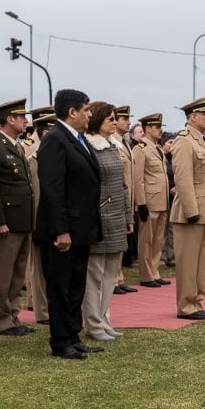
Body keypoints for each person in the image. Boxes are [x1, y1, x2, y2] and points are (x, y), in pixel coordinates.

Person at [34, 89, 103, 359]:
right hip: (62, 230)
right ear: (71, 112)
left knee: (75, 286)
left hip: (81, 228)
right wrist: (61, 230)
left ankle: (73, 335)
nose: (89, 113)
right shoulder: (55, 140)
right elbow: (52, 188)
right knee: (60, 287)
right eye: (85, 109)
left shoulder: (78, 139)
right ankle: (61, 341)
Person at [0, 99, 35, 337]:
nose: (26, 120)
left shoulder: (16, 146)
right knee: (2, 275)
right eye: (21, 116)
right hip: (7, 223)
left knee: (16, 274)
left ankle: (13, 316)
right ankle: (1, 320)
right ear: (9, 119)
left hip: (22, 221)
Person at [82, 102, 133, 341]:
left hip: (116, 217)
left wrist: (127, 216)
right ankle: (93, 323)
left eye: (115, 119)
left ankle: (104, 319)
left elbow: (122, 186)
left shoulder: (113, 146)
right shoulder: (89, 146)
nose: (115, 122)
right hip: (99, 217)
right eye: (110, 119)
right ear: (97, 121)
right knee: (95, 274)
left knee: (110, 273)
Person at [170, 96, 205, 320]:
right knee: (189, 263)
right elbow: (182, 179)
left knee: (201, 262)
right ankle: (186, 305)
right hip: (192, 212)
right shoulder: (184, 140)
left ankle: (197, 302)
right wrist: (191, 210)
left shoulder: (202, 140)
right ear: (193, 117)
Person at [132, 113, 171, 288]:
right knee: (146, 240)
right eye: (156, 127)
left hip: (161, 200)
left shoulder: (157, 148)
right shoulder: (140, 149)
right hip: (149, 201)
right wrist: (141, 203)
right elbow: (138, 179)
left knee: (158, 239)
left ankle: (154, 271)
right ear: (147, 128)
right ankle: (146, 274)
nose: (160, 130)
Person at [26, 113, 55, 325]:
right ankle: (42, 310)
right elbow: (33, 195)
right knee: (38, 269)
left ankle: (51, 307)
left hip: (56, 219)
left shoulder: (54, 157)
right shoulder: (32, 160)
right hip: (39, 220)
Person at [112, 105, 138, 294]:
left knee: (122, 240)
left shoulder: (124, 143)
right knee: (114, 241)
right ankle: (113, 279)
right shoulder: (111, 143)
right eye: (124, 119)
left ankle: (119, 278)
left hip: (126, 198)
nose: (128, 122)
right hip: (115, 198)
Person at [159, 131, 177, 267]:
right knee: (162, 230)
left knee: (171, 229)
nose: (173, 145)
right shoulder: (161, 157)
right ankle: (162, 257)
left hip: (174, 197)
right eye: (170, 142)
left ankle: (172, 256)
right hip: (163, 195)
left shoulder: (174, 158)